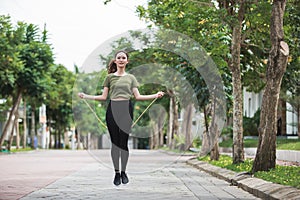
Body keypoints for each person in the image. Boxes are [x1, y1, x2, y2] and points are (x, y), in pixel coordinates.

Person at [78, 50, 164, 186]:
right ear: (116, 60)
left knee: (123, 143)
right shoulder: (109, 77)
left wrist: (155, 95)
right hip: (112, 109)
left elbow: (138, 96)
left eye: (124, 58)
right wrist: (86, 96)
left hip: (126, 109)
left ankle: (124, 171)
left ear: (127, 61)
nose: (121, 60)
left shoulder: (131, 78)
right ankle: (116, 172)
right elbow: (103, 97)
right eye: (119, 58)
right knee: (115, 144)